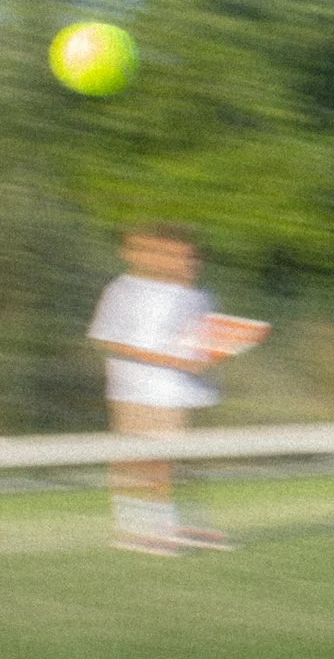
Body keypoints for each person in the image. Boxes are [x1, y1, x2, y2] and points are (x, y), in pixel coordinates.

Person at [85, 223, 260, 554]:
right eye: (179, 256)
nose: (188, 263)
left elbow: (204, 342)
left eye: (193, 257)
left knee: (180, 461)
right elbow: (107, 339)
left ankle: (179, 523)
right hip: (141, 390)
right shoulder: (126, 288)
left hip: (189, 392)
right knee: (141, 458)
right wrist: (171, 360)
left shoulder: (203, 295)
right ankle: (137, 528)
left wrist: (225, 347)